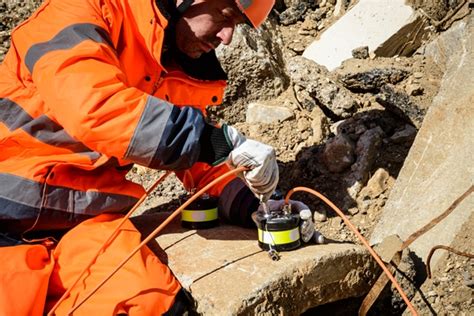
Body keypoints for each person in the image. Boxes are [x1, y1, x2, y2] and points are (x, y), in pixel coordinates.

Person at [0, 0, 313, 314]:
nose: (228, 37)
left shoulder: (173, 65)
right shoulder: (80, 11)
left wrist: (255, 202)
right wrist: (215, 141)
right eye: (225, 15)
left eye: (239, 25)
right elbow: (96, 108)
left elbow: (198, 160)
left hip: (83, 223)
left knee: (151, 303)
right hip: (7, 217)